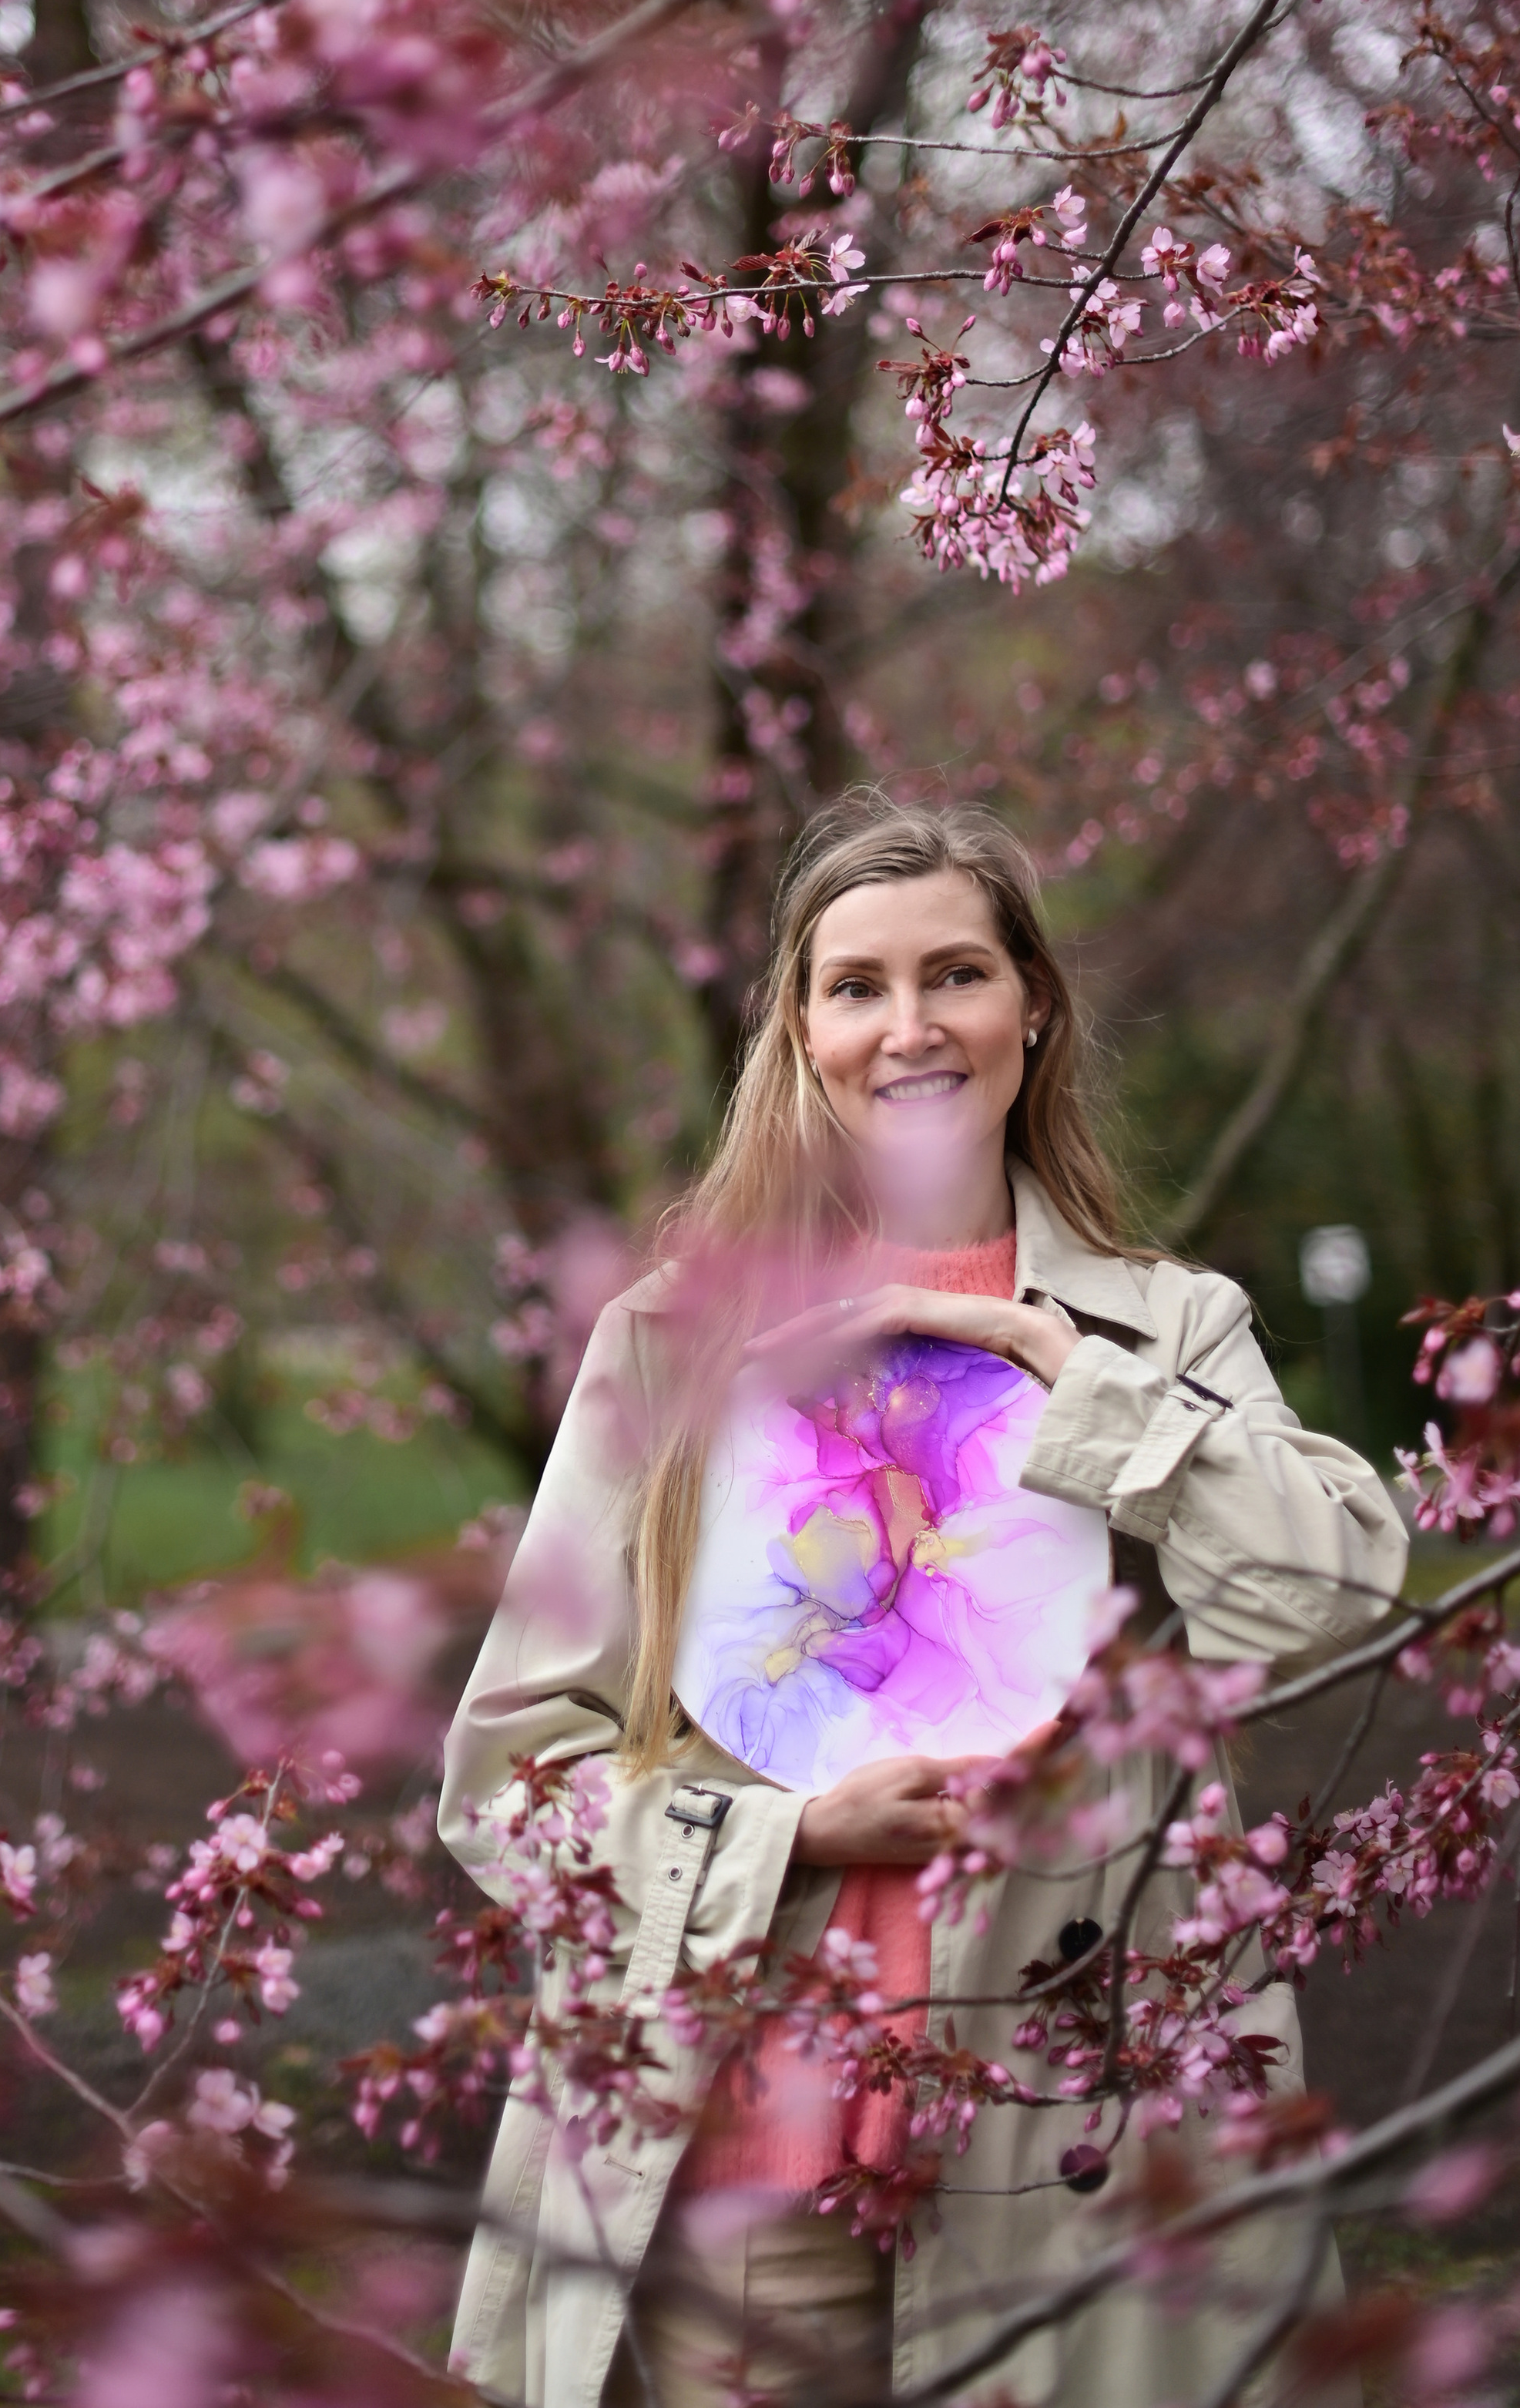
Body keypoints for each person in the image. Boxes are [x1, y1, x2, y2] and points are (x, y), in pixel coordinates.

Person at [439, 794, 1407, 2408]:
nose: (909, 1027)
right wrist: (788, 1834)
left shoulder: (1162, 1328)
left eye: (955, 972)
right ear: (799, 1032)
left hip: (1086, 2156)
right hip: (745, 2163)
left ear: (1033, 1006)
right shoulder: (672, 1343)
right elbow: (505, 1780)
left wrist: (1067, 1372)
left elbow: (1331, 1593)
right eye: (856, 986)